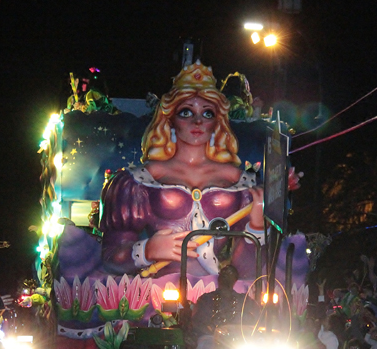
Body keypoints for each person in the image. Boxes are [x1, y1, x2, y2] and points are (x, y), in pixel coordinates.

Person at [99, 61, 269, 279]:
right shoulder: (137, 181)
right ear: (169, 118)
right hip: (156, 299)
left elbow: (249, 271)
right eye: (186, 112)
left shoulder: (243, 183)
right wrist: (146, 250)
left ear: (218, 121)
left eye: (207, 114)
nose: (197, 121)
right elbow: (111, 257)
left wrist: (256, 227)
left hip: (222, 298)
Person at [189, 265, 257, 349]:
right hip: (212, 338)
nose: (226, 274)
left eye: (230, 272)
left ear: (235, 278)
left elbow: (255, 320)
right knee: (205, 345)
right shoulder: (206, 299)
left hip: (239, 340)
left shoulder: (245, 301)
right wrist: (212, 331)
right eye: (223, 272)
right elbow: (198, 321)